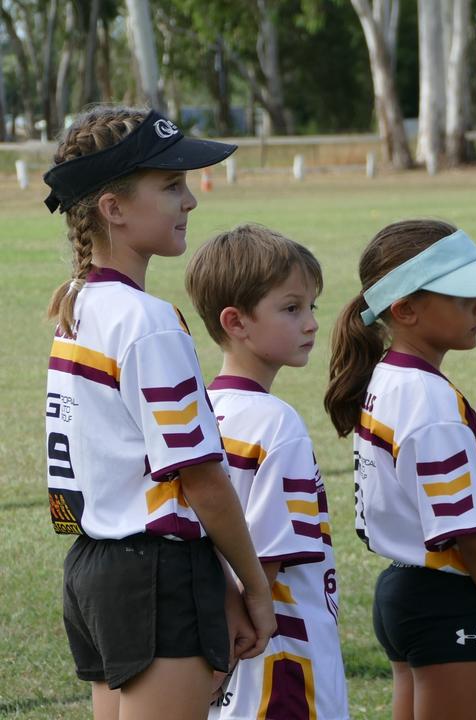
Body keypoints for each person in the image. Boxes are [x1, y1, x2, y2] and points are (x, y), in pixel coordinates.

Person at [41, 106, 275, 720]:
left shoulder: (79, 303)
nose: (190, 202)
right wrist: (254, 587)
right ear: (113, 208)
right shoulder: (146, 321)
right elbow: (199, 478)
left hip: (95, 567)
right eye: (170, 187)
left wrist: (216, 579)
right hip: (155, 576)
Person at [324, 219, 476, 720]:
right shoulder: (428, 399)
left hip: (406, 592)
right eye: (465, 296)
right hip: (442, 597)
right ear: (404, 310)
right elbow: (470, 531)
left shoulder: (391, 379)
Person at [185, 224, 349, 720]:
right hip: (280, 655)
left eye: (312, 307)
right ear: (236, 322)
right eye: (292, 308)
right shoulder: (277, 424)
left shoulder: (197, 411)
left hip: (211, 644)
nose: (312, 324)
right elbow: (270, 557)